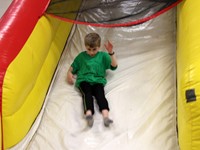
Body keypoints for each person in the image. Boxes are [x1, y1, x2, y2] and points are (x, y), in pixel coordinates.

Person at [67, 32, 118, 127]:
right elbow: (72, 68)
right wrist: (69, 74)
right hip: (84, 81)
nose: (91, 52)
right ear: (85, 46)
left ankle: (106, 117)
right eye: (89, 49)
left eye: (94, 49)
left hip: (98, 81)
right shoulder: (81, 57)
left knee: (101, 95)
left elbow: (114, 66)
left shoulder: (103, 56)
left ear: (99, 47)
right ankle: (89, 115)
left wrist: (111, 53)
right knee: (87, 94)